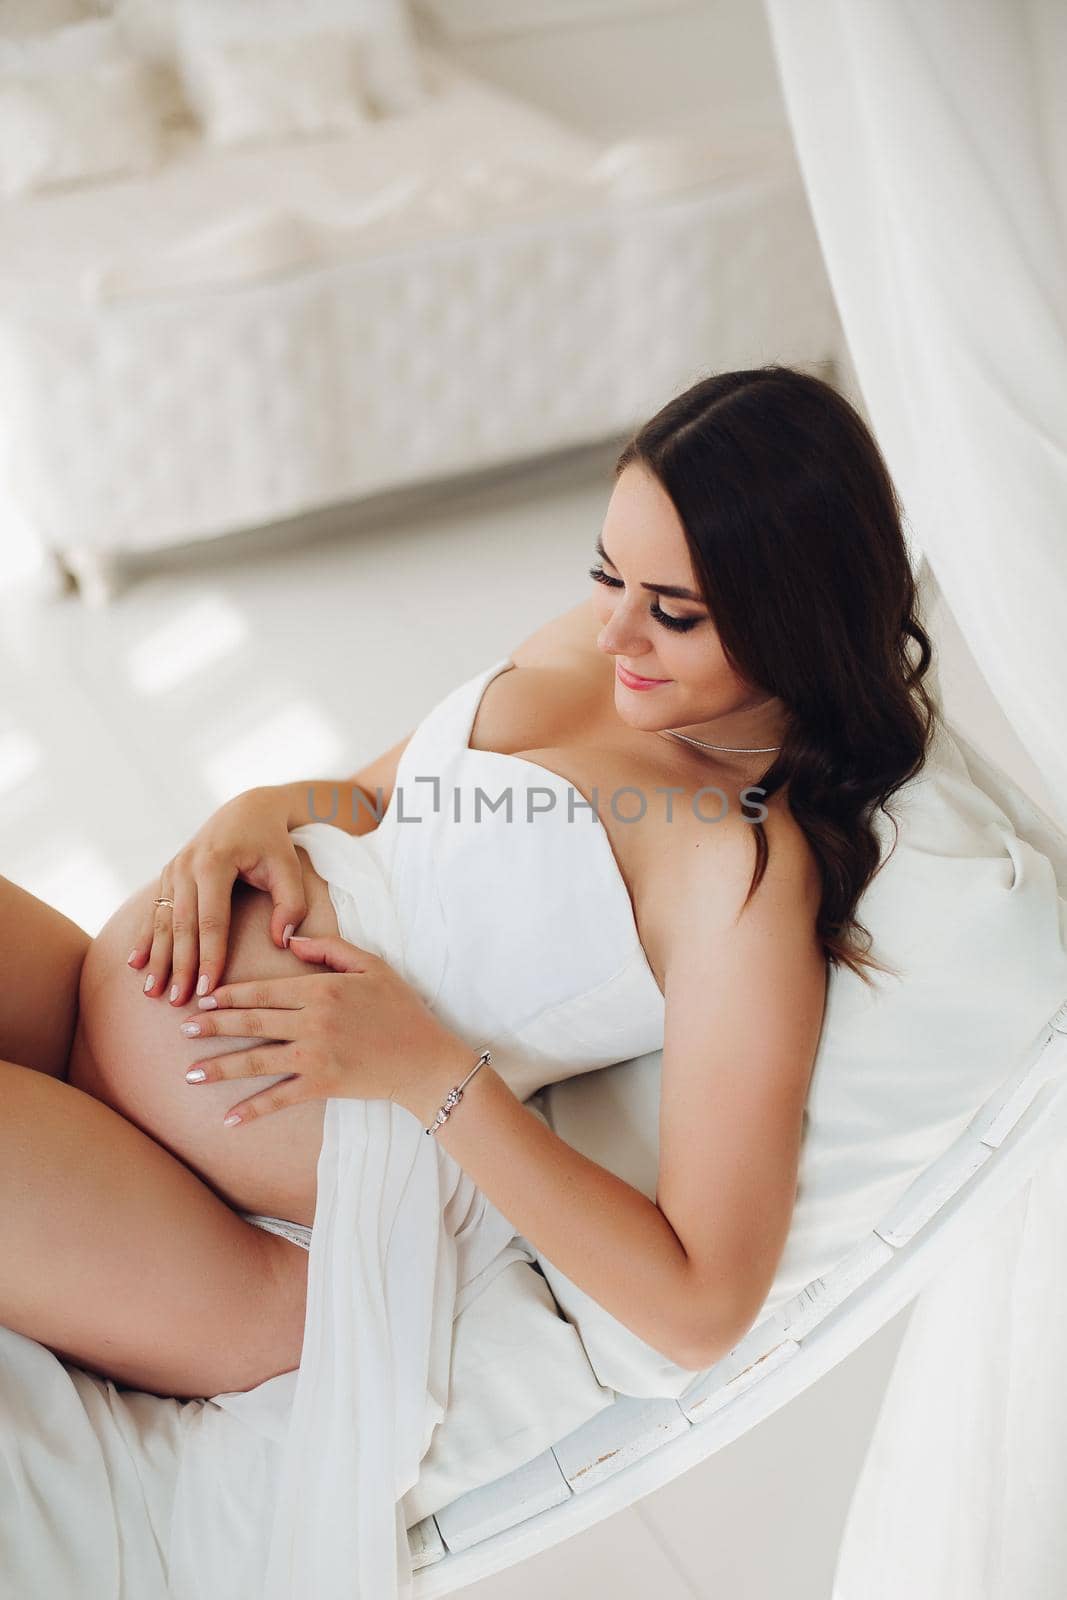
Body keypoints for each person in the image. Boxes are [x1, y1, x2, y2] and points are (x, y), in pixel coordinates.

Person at [0, 364, 936, 1592]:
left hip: (268, 1235)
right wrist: (260, 810)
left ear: (793, 618)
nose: (611, 633)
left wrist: (428, 1067)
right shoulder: (586, 653)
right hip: (118, 1010)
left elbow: (702, 1299)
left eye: (673, 610)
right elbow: (383, 796)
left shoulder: (735, 878)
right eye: (607, 574)